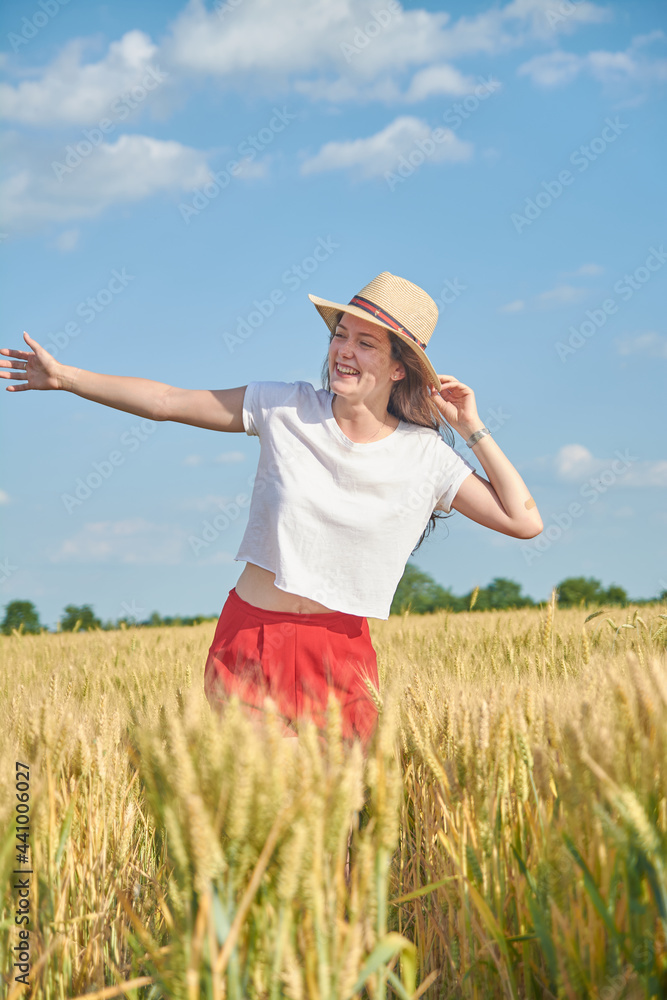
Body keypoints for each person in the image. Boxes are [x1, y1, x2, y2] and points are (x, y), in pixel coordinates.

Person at [0, 271, 543, 747]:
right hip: (252, 640)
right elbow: (167, 402)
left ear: (401, 369)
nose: (343, 351)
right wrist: (65, 377)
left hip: (343, 655)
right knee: (275, 826)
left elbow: (523, 520)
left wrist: (471, 427)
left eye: (366, 344)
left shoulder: (425, 456)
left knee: (335, 846)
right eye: (340, 335)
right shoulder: (283, 406)